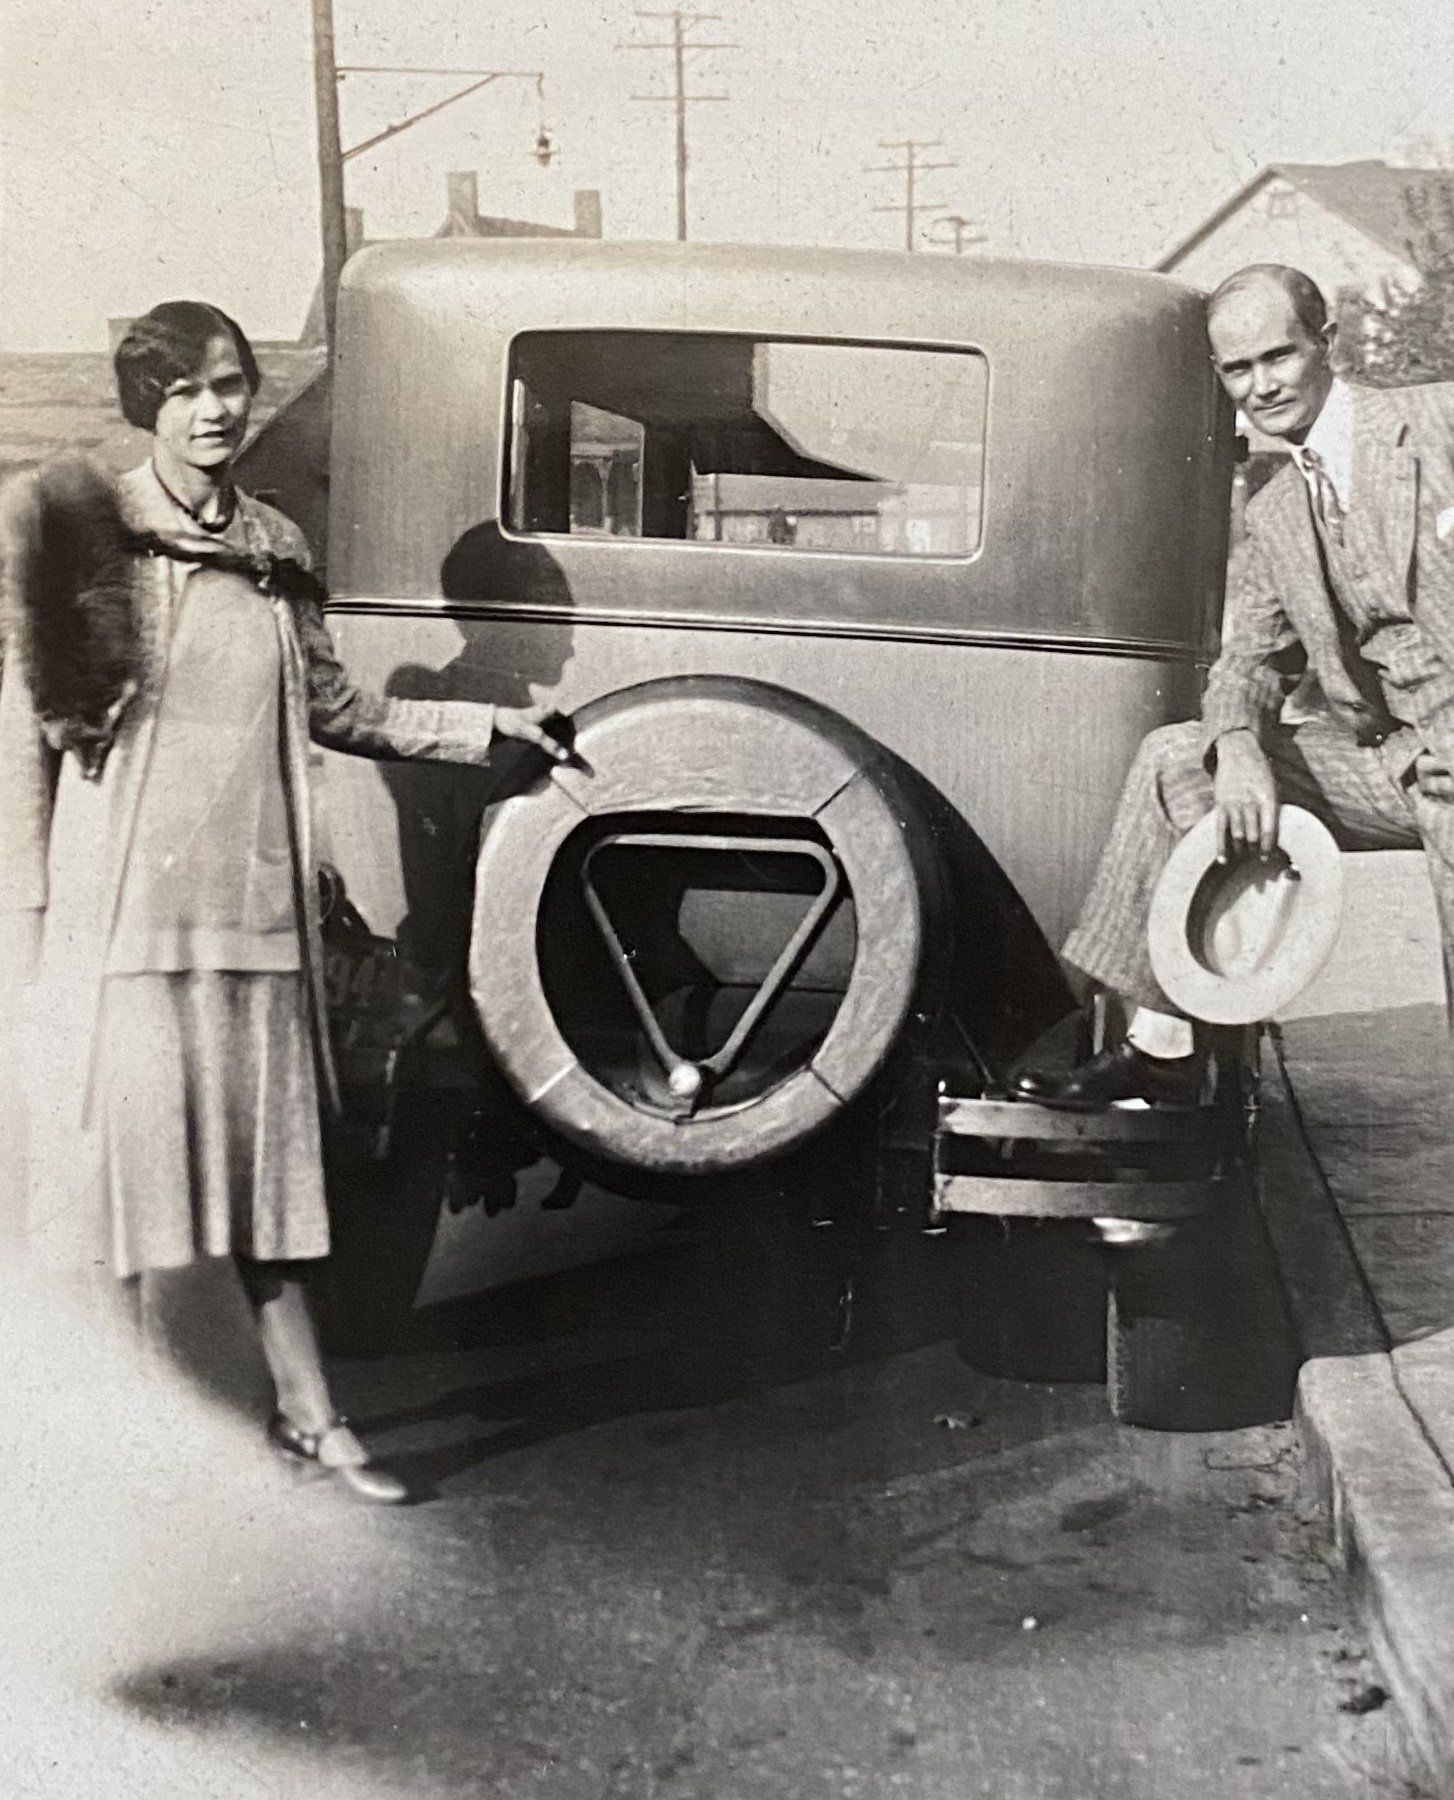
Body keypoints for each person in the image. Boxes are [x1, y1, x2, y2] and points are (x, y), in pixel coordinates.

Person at [0, 299, 569, 1501]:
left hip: (254, 915)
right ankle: (127, 1449)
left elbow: (337, 708)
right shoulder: (85, 531)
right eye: (183, 392)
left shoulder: (274, 544)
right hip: (118, 925)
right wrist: (28, 918)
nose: (211, 412)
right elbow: (23, 745)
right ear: (146, 405)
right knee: (115, 1187)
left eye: (228, 386)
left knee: (271, 1182)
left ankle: (311, 1418)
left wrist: (490, 732)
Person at [1015, 262, 1454, 1107]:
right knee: (1178, 758)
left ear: (1328, 343)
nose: (1262, 386)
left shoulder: (1437, 423)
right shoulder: (1278, 508)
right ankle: (1163, 1048)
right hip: (1395, 766)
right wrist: (1241, 747)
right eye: (1238, 369)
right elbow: (1248, 659)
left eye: (1278, 357)